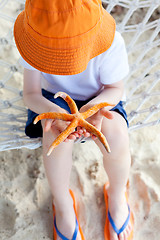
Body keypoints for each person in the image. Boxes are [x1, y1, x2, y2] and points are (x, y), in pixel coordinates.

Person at [14, 0, 134, 239]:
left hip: (99, 98)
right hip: (51, 101)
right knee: (54, 139)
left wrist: (92, 109)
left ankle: (118, 194)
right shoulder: (33, 42)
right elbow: (31, 95)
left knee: (118, 135)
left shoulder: (110, 43)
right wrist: (56, 114)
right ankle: (63, 204)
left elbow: (115, 88)